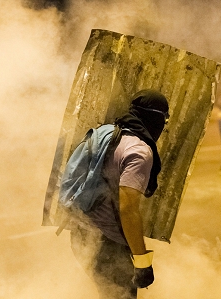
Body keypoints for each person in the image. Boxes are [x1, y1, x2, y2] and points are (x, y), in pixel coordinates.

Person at [69, 89, 170, 299]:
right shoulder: (139, 152)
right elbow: (129, 209)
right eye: (164, 120)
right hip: (106, 243)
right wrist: (142, 262)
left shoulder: (106, 132)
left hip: (79, 233)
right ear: (156, 119)